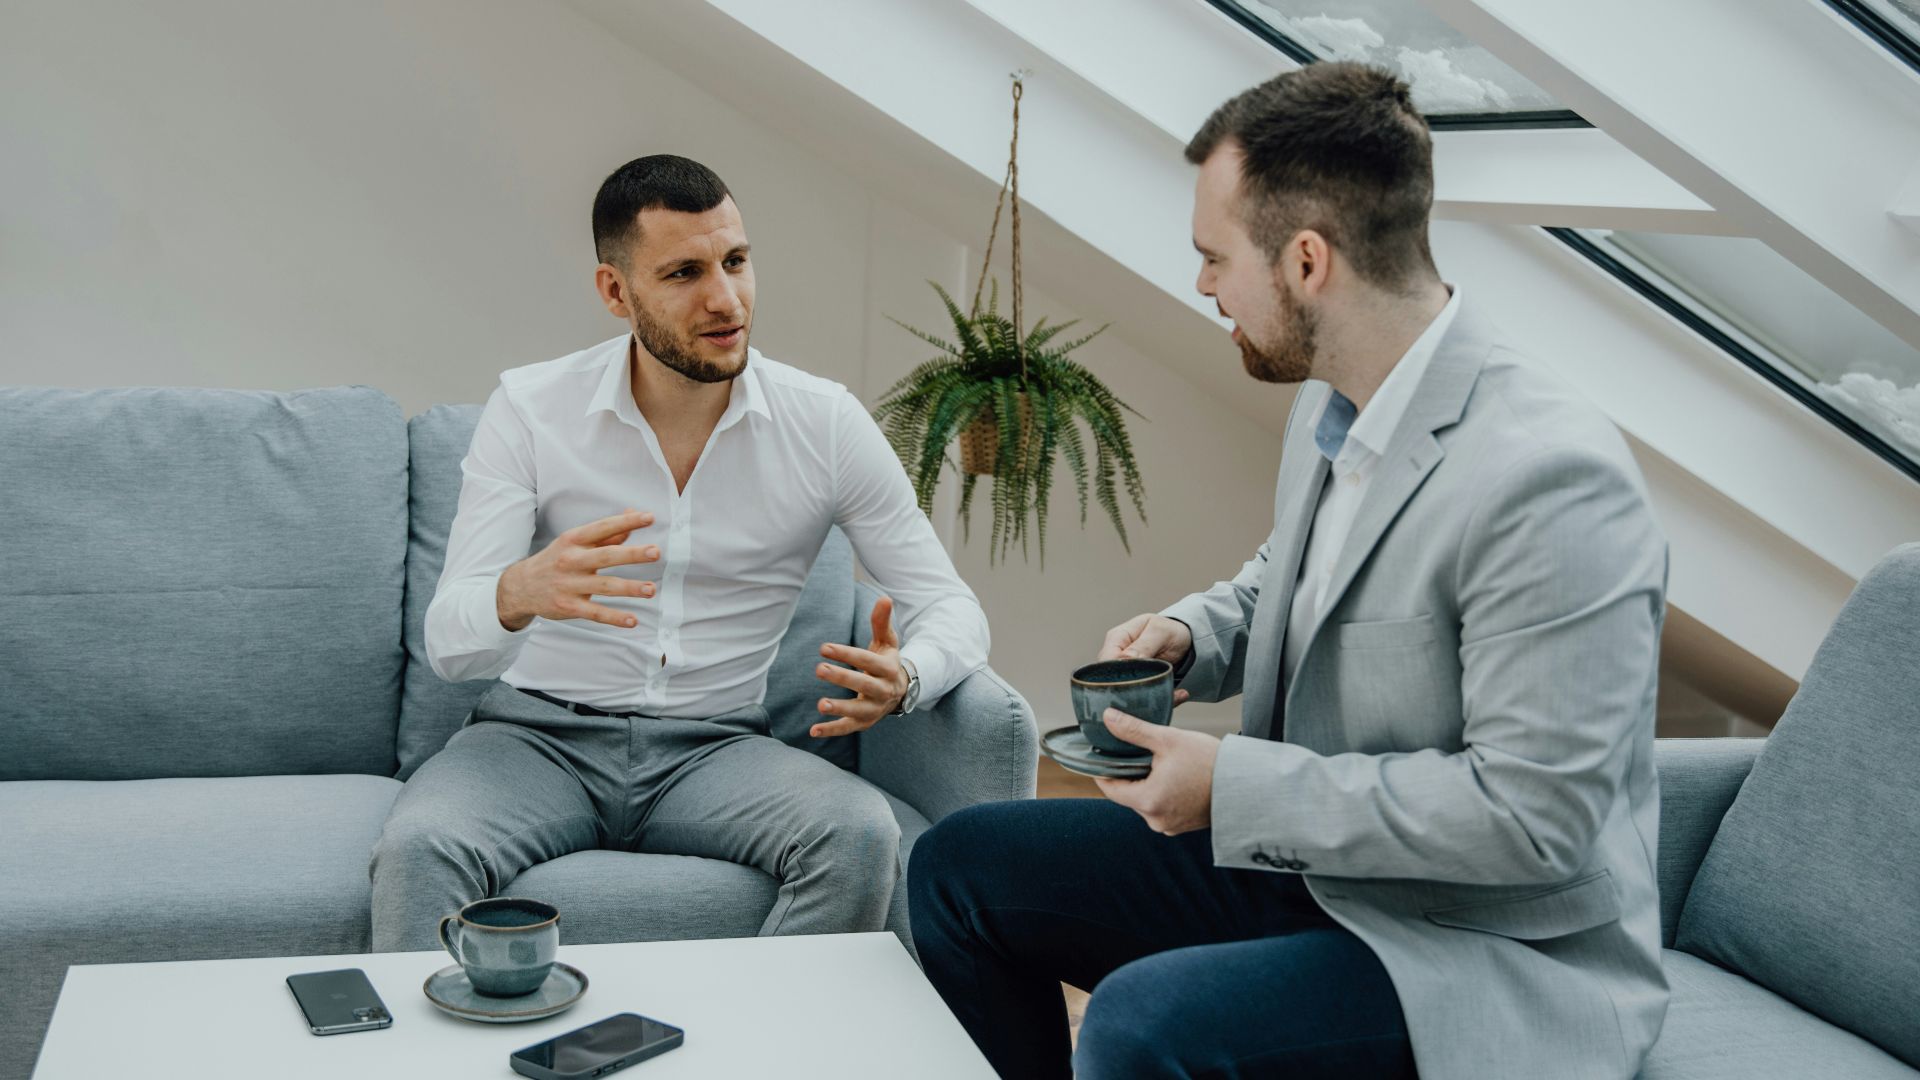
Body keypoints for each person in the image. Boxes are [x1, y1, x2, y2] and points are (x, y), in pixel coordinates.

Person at [910, 62, 1669, 1080]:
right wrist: (1192, 635)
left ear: (1307, 262)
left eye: (1215, 257)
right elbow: (1298, 581)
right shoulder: (1333, 401)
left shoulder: (1553, 480)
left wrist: (1238, 789)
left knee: (1140, 1024)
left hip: (1480, 950)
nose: (1203, 285)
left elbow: (1538, 824)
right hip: (1324, 873)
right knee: (959, 870)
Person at [371, 154, 989, 950]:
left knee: (861, 833)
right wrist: (519, 591)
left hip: (717, 748)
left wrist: (910, 677)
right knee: (420, 849)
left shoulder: (825, 424)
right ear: (615, 292)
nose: (725, 299)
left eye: (735, 261)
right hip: (535, 739)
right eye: (685, 272)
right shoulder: (530, 408)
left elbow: (951, 605)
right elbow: (450, 645)